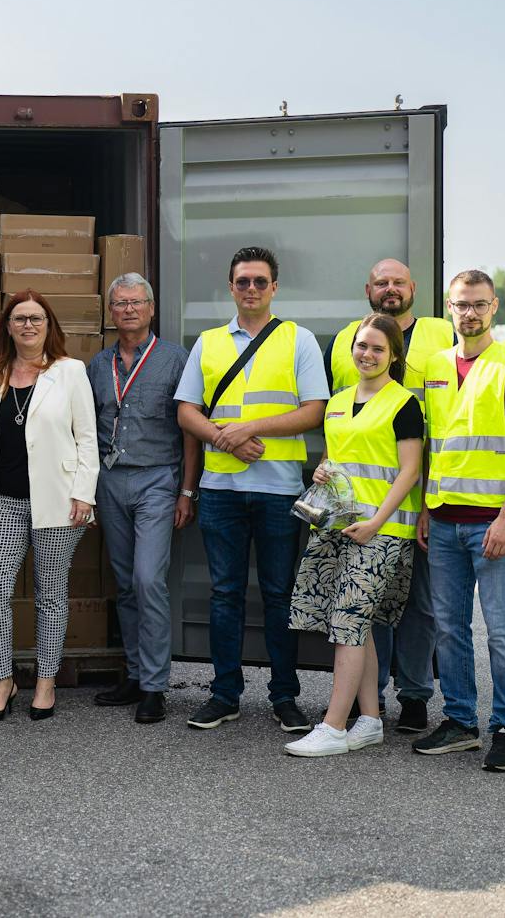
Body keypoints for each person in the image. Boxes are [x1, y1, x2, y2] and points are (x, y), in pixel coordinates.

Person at [175, 246, 328, 735]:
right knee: (226, 594)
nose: (252, 290)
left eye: (261, 282)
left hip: (280, 491)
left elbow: (313, 410)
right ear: (231, 286)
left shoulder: (297, 340)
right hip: (220, 489)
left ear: (275, 288)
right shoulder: (209, 342)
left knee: (280, 595)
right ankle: (225, 695)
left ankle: (285, 696)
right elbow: (185, 411)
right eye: (243, 281)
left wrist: (247, 428)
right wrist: (225, 438)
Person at [412, 269, 505, 772]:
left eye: (479, 304)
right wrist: (426, 507)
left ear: (494, 309)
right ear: (449, 307)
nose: (469, 312)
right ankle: (461, 721)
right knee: (449, 627)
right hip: (445, 521)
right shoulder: (437, 366)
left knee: (504, 631)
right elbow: (434, 445)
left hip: (495, 524)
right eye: (461, 304)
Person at [327, 258, 455, 733]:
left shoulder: (442, 334)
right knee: (370, 609)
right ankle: (370, 702)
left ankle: (416, 694)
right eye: (381, 282)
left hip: (421, 496)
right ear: (368, 289)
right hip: (361, 506)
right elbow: (345, 423)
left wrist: (426, 503)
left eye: (399, 281)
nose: (390, 289)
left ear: (413, 287)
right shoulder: (345, 339)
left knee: (419, 605)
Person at [285, 314, 423, 756]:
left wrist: (377, 523)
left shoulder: (404, 403)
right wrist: (322, 468)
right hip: (338, 524)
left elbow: (409, 471)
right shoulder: (339, 401)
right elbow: (336, 457)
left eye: (378, 348)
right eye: (362, 346)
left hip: (381, 529)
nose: (367, 354)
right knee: (354, 625)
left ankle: (333, 726)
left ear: (394, 355)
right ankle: (370, 720)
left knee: (348, 623)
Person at [0, 291, 99, 722]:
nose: (28, 325)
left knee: (51, 594)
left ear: (48, 325)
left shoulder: (70, 372)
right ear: (7, 326)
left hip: (58, 500)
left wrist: (84, 492)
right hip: (4, 501)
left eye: (36, 318)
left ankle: (46, 679)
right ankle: (2, 678)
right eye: (20, 318)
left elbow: (87, 438)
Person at [87, 273, 196, 724]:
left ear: (152, 309)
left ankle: (154, 685)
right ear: (110, 312)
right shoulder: (96, 365)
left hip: (157, 479)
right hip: (110, 481)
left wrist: (187, 490)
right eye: (119, 303)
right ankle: (133, 675)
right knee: (126, 582)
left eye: (136, 302)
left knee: (150, 579)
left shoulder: (175, 359)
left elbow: (191, 429)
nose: (128, 309)